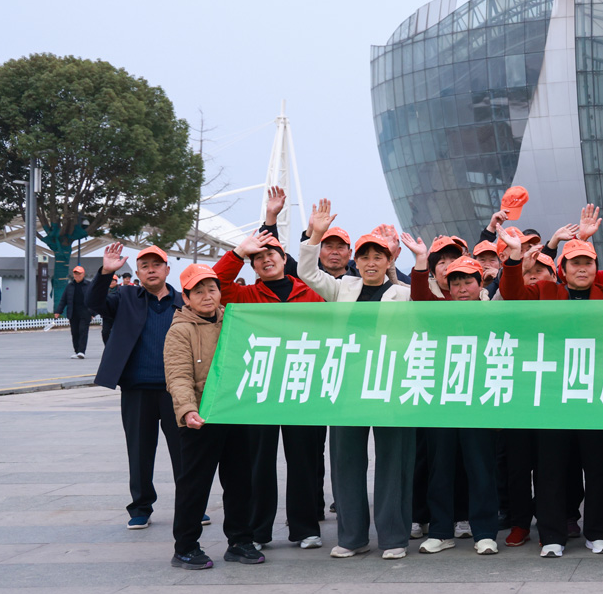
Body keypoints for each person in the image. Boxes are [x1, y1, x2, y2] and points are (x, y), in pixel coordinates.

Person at [297, 207, 415, 560]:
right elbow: (306, 272)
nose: (370, 262)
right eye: (364, 257)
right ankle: (352, 537)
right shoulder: (342, 288)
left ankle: (394, 538)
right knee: (346, 462)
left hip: (390, 387)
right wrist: (315, 236)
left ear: (389, 260)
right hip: (347, 387)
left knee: (393, 463)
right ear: (356, 262)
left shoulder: (404, 295)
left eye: (378, 256)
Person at [499, 228, 603, 557]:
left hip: (595, 394)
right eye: (575, 264)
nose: (582, 269)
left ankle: (599, 533)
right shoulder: (545, 290)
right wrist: (515, 257)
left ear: (596, 268)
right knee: (550, 469)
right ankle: (552, 535)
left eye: (588, 263)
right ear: (562, 270)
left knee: (598, 468)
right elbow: (511, 293)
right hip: (553, 395)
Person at [214, 230, 326, 551]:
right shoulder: (245, 295)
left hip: (301, 387)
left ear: (284, 259)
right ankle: (257, 531)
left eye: (271, 254)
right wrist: (238, 252)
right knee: (257, 463)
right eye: (258, 258)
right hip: (259, 389)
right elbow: (217, 284)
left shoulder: (310, 293)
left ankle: (305, 528)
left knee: (304, 461)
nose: (266, 260)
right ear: (252, 266)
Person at [165, 264, 262, 568]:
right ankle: (185, 547)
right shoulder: (180, 330)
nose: (207, 296)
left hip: (234, 412)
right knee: (194, 484)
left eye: (212, 289)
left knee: (240, 482)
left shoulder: (234, 320)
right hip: (201, 418)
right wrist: (188, 410)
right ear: (186, 297)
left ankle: (240, 541)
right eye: (198, 291)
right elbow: (178, 376)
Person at [406, 252, 503, 557]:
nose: (462, 289)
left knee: (481, 468)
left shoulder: (494, 313)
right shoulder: (439, 310)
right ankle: (440, 532)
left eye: (467, 282)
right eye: (456, 283)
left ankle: (485, 533)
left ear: (480, 284)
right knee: (440, 468)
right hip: (442, 401)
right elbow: (419, 296)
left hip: (479, 402)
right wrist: (420, 261)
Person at [88, 243, 183, 529]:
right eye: (145, 266)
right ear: (138, 273)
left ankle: (191, 504)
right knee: (139, 452)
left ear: (167, 269)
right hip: (137, 389)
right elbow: (93, 303)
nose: (151, 270)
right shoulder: (125, 297)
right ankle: (141, 507)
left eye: (157, 265)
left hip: (177, 391)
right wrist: (106, 272)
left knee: (185, 452)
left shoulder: (184, 302)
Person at [55, 264, 95, 358]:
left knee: (83, 331)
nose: (77, 276)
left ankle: (82, 351)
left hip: (85, 312)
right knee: (75, 332)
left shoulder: (89, 285)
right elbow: (63, 300)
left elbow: (95, 299)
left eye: (79, 274)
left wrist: (93, 313)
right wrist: (58, 311)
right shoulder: (69, 286)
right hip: (73, 313)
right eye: (75, 274)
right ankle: (77, 351)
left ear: (83, 274)